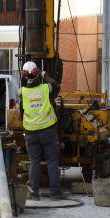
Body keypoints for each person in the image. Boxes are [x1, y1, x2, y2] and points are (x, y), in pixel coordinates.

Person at [19, 60, 65, 200]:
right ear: (37, 74)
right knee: (52, 161)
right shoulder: (45, 89)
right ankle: (55, 192)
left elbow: (21, 111)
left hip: (31, 133)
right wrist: (45, 75)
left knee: (35, 162)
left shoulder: (22, 92)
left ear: (24, 76)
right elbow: (57, 85)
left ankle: (34, 193)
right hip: (48, 131)